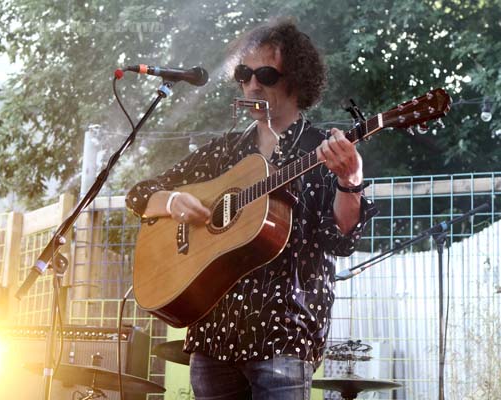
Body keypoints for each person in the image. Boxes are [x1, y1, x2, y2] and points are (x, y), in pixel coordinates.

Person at [126, 18, 377, 400]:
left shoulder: (322, 147)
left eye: (265, 75)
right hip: (212, 337)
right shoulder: (224, 151)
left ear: (296, 80)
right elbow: (140, 194)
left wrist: (351, 180)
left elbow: (340, 240)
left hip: (284, 337)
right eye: (244, 74)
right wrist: (173, 202)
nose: (252, 85)